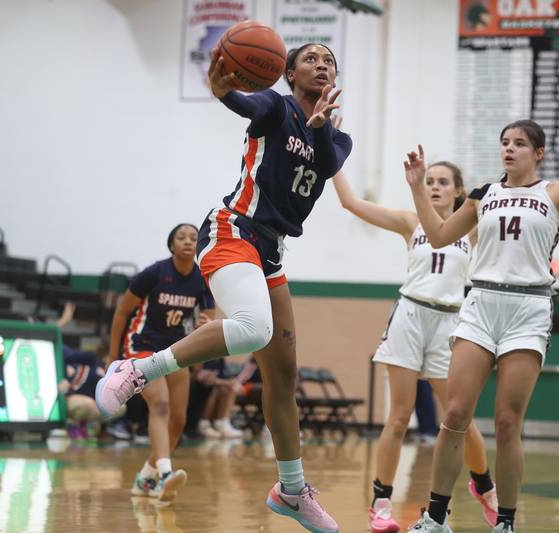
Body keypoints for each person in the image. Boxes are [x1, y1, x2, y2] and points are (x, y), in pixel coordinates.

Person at [96, 42, 351, 532]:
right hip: (234, 228)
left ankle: (293, 490)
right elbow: (247, 102)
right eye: (312, 58)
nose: (322, 65)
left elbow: (325, 162)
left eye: (330, 61)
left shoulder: (339, 140)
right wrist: (223, 91)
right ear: (288, 71)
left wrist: (318, 129)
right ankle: (139, 369)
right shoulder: (275, 106)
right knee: (253, 328)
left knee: (284, 375)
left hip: (272, 249)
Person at [404, 111, 559, 533]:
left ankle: (505, 522)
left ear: (538, 153)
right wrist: (418, 188)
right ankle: (435, 517)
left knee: (508, 422)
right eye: (505, 141)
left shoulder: (557, 192)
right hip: (482, 302)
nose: (509, 147)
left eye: (519, 143)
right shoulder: (482, 194)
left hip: (528, 308)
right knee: (455, 413)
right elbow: (438, 236)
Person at [333, 167, 497, 532]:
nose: (435, 187)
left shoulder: (472, 227)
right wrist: (330, 151)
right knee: (399, 416)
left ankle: (484, 487)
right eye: (430, 182)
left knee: (460, 418)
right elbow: (350, 202)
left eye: (443, 182)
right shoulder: (411, 223)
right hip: (410, 315)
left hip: (449, 323)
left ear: (458, 191)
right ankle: (381, 502)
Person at [106, 223, 215, 502]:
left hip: (176, 350)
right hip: (141, 347)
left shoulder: (202, 279)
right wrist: (112, 354)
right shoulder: (154, 273)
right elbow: (121, 311)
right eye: (182, 237)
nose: (189, 242)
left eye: (193, 238)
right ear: (171, 245)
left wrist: (207, 323)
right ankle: (166, 474)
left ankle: (146, 478)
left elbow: (209, 318)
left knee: (178, 420)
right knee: (160, 404)